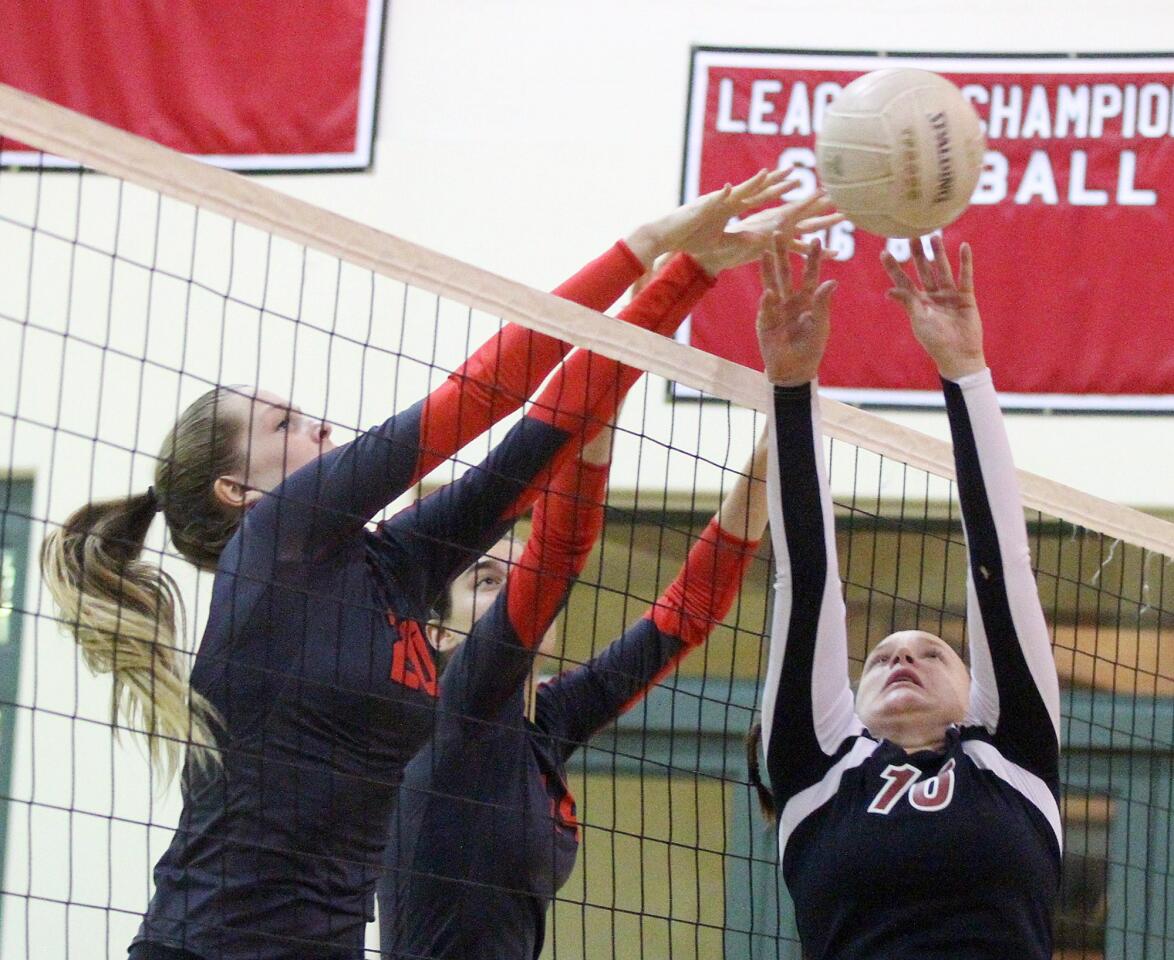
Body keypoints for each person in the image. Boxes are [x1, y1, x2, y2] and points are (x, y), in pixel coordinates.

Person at [40, 172, 834, 960]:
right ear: (238, 489)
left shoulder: (390, 567)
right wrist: (651, 245)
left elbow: (536, 448)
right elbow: (482, 391)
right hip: (208, 947)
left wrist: (692, 274)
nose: (320, 430)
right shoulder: (272, 548)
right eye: (285, 423)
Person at [748, 234, 1061, 959]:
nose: (902, 658)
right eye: (883, 655)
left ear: (972, 691)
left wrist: (965, 370)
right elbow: (807, 579)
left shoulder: (1010, 755)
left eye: (931, 653)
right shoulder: (818, 765)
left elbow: (1001, 567)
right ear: (848, 705)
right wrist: (791, 386)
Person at [379, 416, 770, 960]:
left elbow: (691, 610)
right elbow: (554, 553)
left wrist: (783, 426)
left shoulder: (547, 716)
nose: (516, 590)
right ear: (440, 633)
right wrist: (601, 381)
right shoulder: (457, 708)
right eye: (489, 581)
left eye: (519, 576)